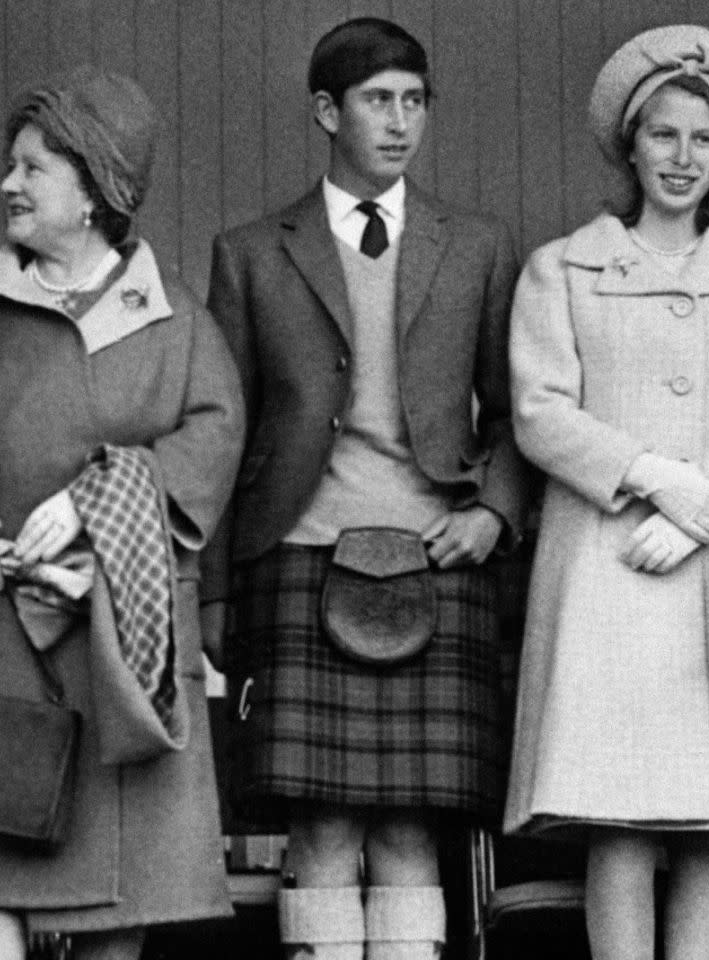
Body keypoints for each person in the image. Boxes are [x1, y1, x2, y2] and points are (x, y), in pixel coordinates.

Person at [0, 66, 244, 960]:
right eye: (12, 164)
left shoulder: (177, 325)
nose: (8, 183)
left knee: (124, 896)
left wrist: (99, 503)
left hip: (120, 644)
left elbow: (215, 436)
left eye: (33, 167)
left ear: (95, 191)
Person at [202, 17, 525, 960]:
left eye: (415, 101)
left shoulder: (478, 244)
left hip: (439, 553)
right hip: (297, 555)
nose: (401, 122)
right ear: (325, 111)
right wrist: (216, 590)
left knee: (410, 827)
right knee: (323, 828)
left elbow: (516, 414)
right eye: (379, 101)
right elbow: (224, 437)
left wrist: (496, 513)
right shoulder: (252, 252)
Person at [505, 24, 709, 960]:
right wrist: (649, 479)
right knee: (623, 818)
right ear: (630, 145)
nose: (682, 158)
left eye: (704, 139)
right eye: (664, 134)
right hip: (610, 573)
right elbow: (540, 409)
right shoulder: (561, 270)